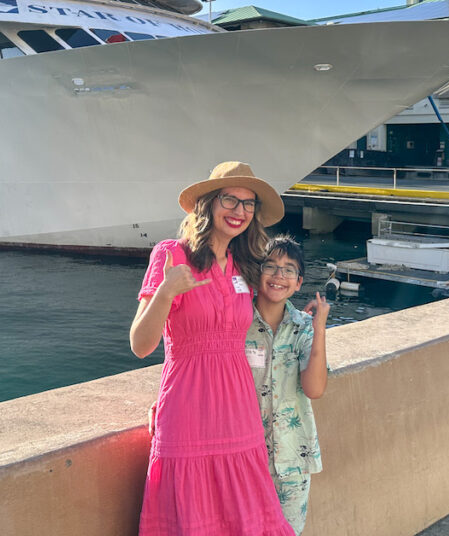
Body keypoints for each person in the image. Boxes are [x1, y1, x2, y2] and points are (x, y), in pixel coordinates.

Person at [130, 161, 294, 536]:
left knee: (243, 513)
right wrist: (166, 292)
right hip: (187, 407)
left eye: (248, 204)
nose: (239, 211)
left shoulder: (246, 265)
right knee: (191, 512)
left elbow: (272, 318)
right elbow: (141, 345)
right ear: (207, 204)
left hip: (238, 409)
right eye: (230, 200)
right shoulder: (171, 255)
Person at [245, 235, 329, 533]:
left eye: (289, 270)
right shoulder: (236, 323)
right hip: (244, 459)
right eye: (271, 266)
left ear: (298, 282)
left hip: (293, 459)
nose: (279, 275)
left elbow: (315, 389)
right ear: (257, 273)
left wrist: (319, 330)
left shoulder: (304, 328)